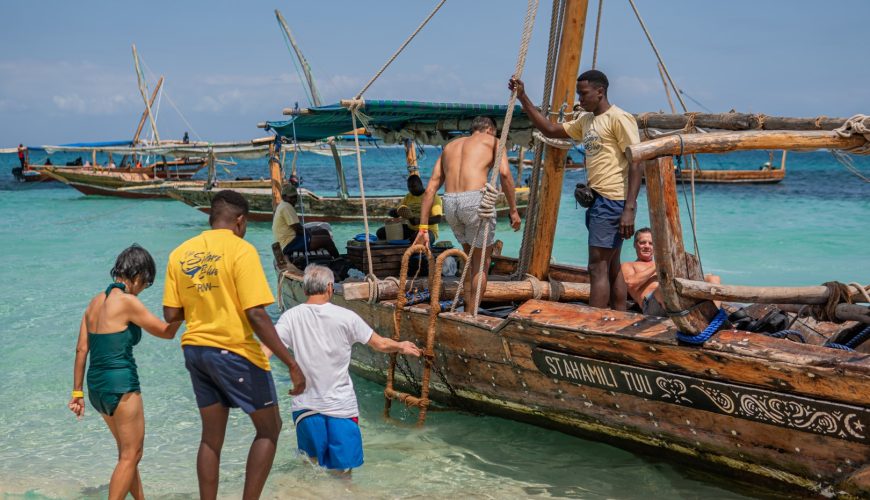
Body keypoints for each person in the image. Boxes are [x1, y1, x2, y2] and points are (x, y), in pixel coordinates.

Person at [162, 190, 306, 499]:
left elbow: (171, 314)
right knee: (269, 428)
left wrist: (203, 297)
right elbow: (256, 314)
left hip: (195, 352)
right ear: (239, 221)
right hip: (233, 351)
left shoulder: (180, 253)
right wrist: (291, 363)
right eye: (246, 223)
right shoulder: (241, 251)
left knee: (211, 439)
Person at [510, 70, 643, 311]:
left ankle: (593, 322)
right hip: (598, 202)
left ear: (600, 91)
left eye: (583, 94)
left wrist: (629, 209)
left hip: (612, 200)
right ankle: (618, 318)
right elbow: (550, 129)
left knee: (596, 267)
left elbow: (636, 161)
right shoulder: (587, 121)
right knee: (611, 266)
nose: (579, 100)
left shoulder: (619, 118)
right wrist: (523, 98)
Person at [273, 265, 421, 473]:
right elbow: (380, 344)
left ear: (305, 289)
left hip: (305, 408)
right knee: (343, 476)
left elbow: (266, 350)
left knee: (311, 470)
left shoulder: (290, 317)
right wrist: (401, 346)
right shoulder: (346, 317)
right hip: (340, 408)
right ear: (330, 287)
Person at [69, 245, 181, 500]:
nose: (143, 289)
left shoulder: (94, 302)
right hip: (121, 385)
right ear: (138, 275)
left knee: (126, 455)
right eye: (146, 283)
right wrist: (184, 309)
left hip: (96, 388)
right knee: (132, 455)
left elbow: (81, 349)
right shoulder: (128, 302)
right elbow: (166, 332)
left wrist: (77, 393)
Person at [413, 116, 521, 311]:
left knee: (470, 262)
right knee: (481, 264)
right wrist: (513, 210)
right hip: (474, 202)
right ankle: (471, 315)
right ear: (490, 130)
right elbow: (505, 174)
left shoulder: (450, 147)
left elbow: (430, 189)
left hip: (450, 203)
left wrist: (423, 228)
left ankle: (466, 310)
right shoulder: (495, 141)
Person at [621, 228, 720, 316]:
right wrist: (658, 265)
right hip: (652, 304)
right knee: (664, 287)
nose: (647, 246)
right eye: (642, 242)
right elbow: (629, 283)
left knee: (713, 278)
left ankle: (714, 316)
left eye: (651, 243)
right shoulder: (628, 265)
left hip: (674, 297)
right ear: (635, 244)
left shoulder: (662, 264)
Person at [273, 183, 340, 260]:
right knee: (327, 240)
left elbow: (298, 229)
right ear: (284, 196)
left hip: (293, 239)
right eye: (291, 197)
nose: (294, 200)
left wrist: (311, 234)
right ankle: (338, 260)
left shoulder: (283, 204)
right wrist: (311, 236)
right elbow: (299, 229)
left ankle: (331, 258)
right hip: (289, 244)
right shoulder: (286, 207)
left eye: (295, 197)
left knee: (324, 232)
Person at [376, 174, 441, 242]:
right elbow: (400, 211)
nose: (411, 189)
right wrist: (393, 212)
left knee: (416, 238)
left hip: (428, 231)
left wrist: (418, 221)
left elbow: (438, 219)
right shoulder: (408, 197)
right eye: (409, 187)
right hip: (411, 230)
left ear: (421, 184)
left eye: (414, 186)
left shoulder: (432, 197)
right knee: (381, 233)